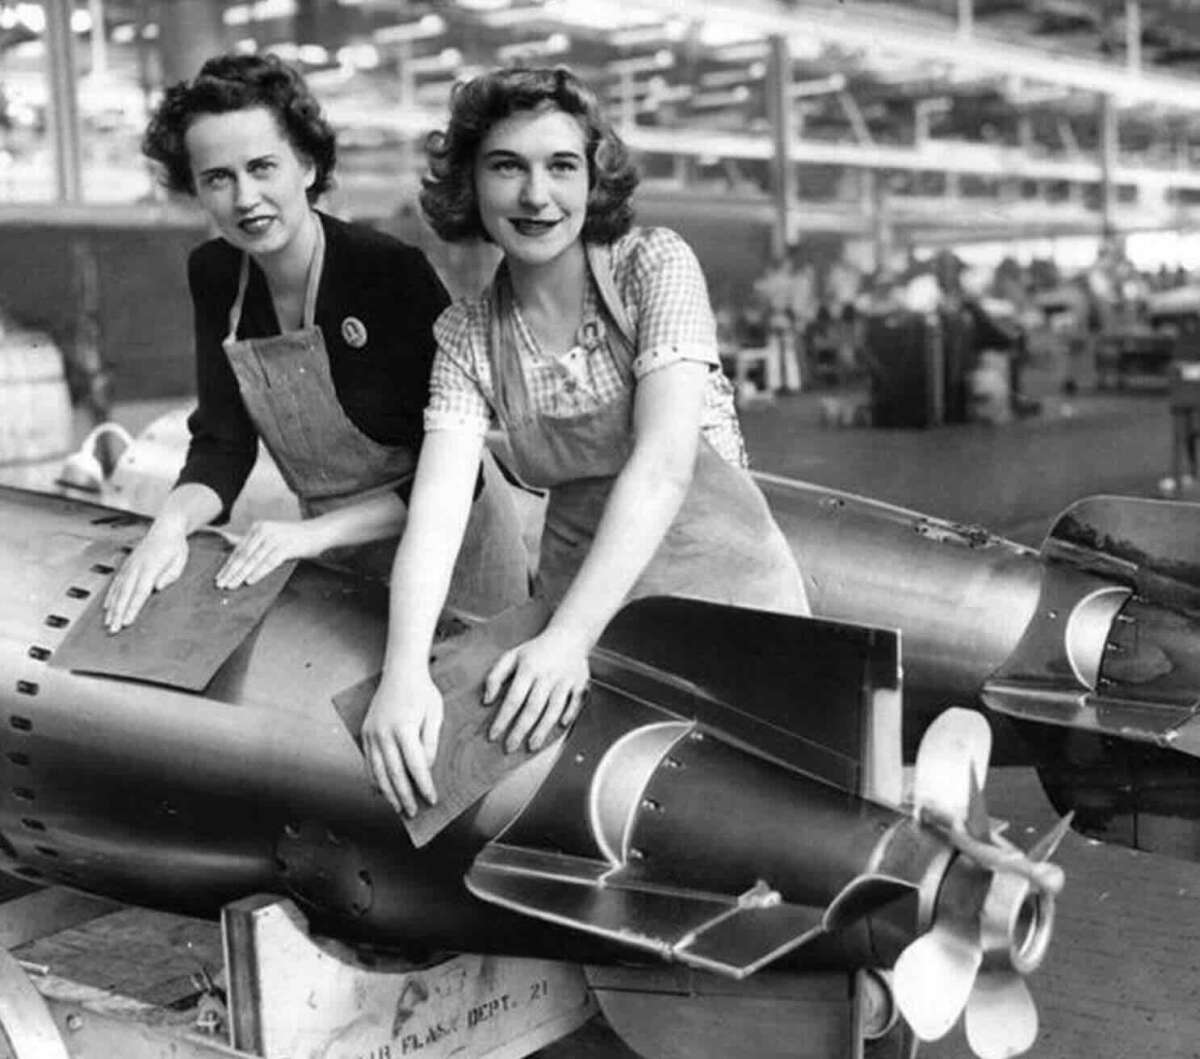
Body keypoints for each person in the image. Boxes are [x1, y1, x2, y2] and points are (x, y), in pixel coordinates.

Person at [362, 66, 810, 818]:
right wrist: (403, 673)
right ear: (470, 184)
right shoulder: (467, 337)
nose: (537, 196)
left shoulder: (651, 267)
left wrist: (567, 640)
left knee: (761, 819)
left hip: (725, 603)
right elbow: (436, 515)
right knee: (609, 818)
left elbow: (662, 468)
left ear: (593, 179)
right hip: (584, 605)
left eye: (562, 166)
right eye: (507, 167)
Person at [102, 53, 529, 632]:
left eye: (262, 167)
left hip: (455, 551)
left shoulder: (387, 272)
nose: (245, 197)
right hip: (336, 556)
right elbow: (223, 445)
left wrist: (312, 534)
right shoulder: (216, 274)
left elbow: (459, 474)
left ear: (306, 165)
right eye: (218, 178)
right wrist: (168, 527)